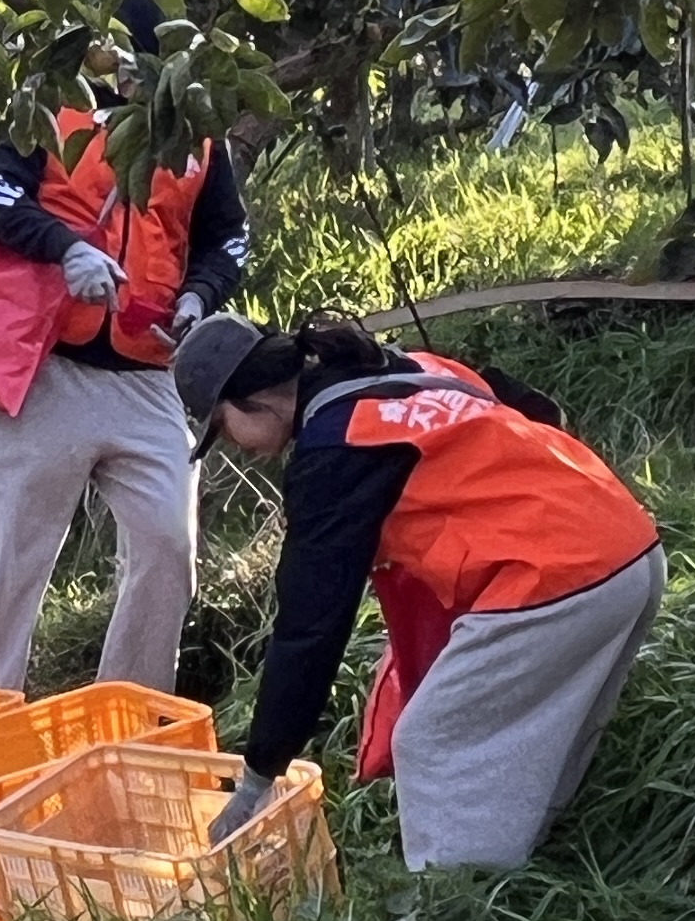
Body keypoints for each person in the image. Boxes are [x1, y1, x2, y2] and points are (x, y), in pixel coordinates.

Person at [171, 314, 664, 872]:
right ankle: (528, 870)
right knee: (546, 737)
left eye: (224, 427)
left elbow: (310, 624)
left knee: (430, 743)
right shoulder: (411, 369)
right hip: (631, 551)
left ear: (254, 400)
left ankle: (444, 911)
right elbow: (540, 414)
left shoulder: (338, 447)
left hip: (555, 580)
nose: (236, 447)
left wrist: (260, 770)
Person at [0, 0, 248, 694]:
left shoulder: (195, 134)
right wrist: (64, 252)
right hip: (47, 369)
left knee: (168, 548)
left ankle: (134, 714)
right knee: (9, 566)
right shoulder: (47, 106)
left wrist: (200, 294)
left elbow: (227, 233)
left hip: (148, 379)